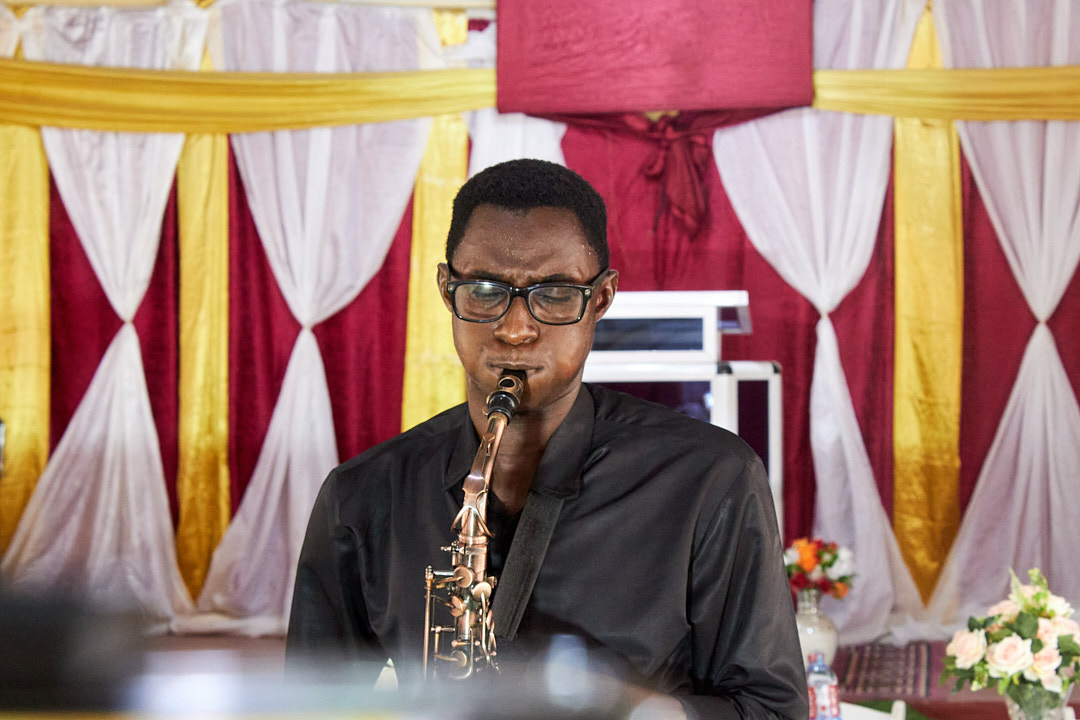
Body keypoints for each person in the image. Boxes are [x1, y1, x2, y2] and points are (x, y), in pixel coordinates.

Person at [287, 159, 808, 719]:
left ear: (601, 299)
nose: (515, 329)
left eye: (556, 293)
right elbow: (309, 711)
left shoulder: (711, 479)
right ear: (446, 289)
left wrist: (631, 712)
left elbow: (773, 710)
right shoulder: (362, 496)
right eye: (484, 290)